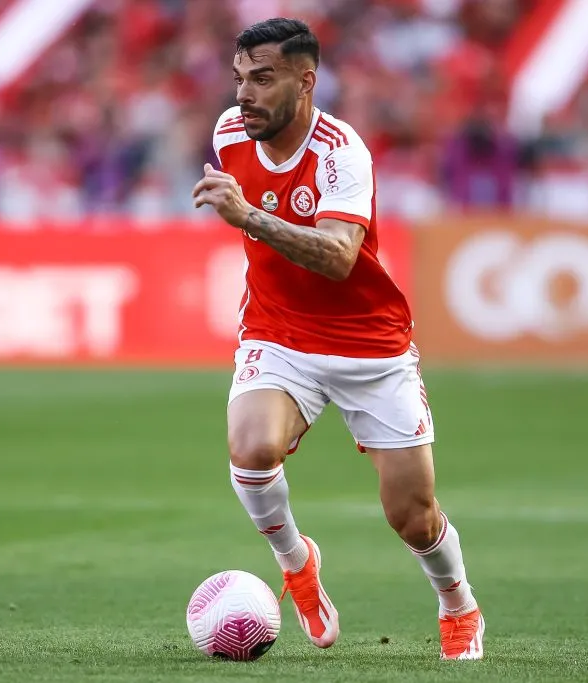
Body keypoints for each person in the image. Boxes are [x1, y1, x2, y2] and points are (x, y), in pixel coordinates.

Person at [192, 18, 484, 661]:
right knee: (251, 447)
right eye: (240, 78)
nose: (245, 94)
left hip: (369, 346)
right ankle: (297, 563)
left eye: (262, 78)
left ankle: (459, 604)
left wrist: (247, 215)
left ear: (306, 79)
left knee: (413, 515)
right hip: (279, 331)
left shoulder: (342, 152)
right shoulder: (229, 132)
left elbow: (339, 257)